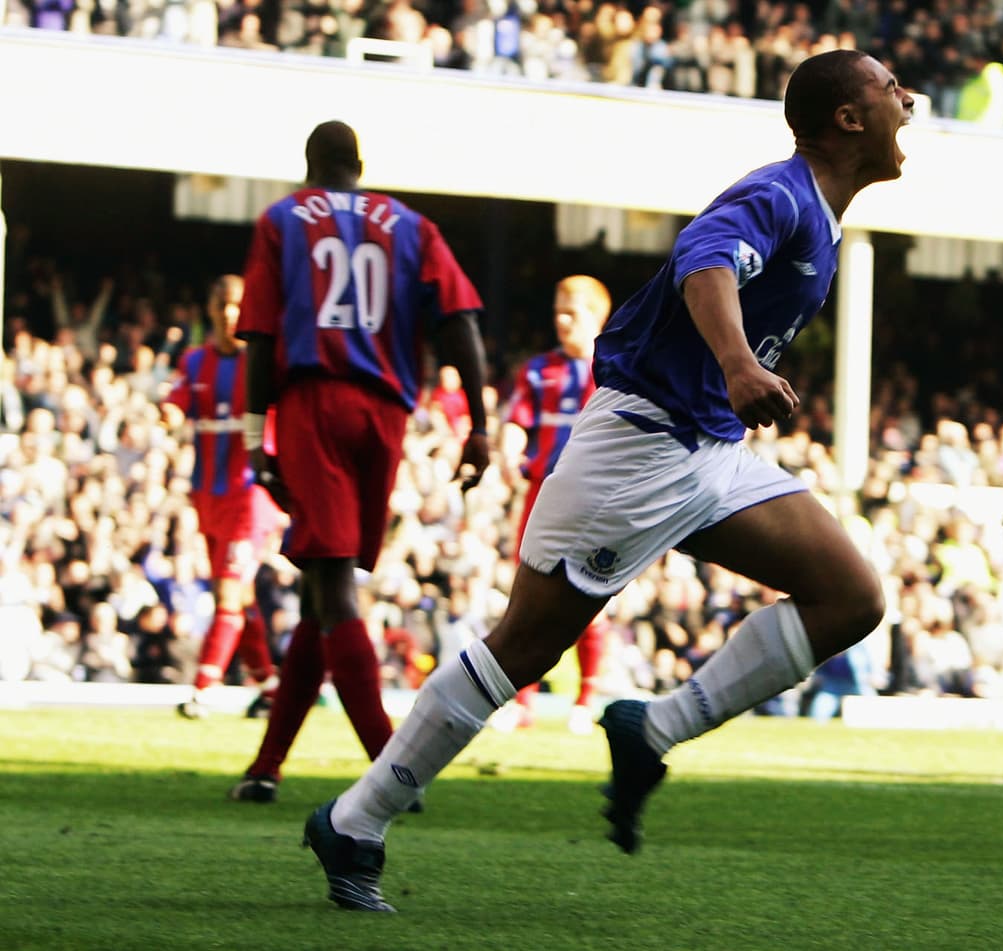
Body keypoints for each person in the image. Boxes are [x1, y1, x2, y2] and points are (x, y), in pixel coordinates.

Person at [304, 49, 908, 912]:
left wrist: (731, 386)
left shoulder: (817, 212)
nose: (907, 100)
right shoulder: (778, 195)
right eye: (890, 89)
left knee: (850, 593)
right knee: (524, 647)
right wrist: (738, 362)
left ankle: (650, 728)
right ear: (849, 119)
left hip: (708, 449)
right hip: (638, 448)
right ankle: (356, 820)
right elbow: (704, 258)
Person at [226, 120, 490, 805]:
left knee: (333, 584)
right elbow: (459, 319)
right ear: (360, 165)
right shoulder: (410, 223)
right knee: (322, 595)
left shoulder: (282, 219)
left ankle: (393, 765)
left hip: (316, 401)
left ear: (309, 165)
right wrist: (481, 426)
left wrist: (258, 437)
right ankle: (266, 765)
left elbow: (258, 333)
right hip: (386, 413)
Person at [163, 275, 283, 720]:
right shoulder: (195, 362)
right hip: (208, 497)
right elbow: (176, 402)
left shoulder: (265, 361)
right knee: (239, 597)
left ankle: (204, 688)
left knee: (229, 596)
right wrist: (167, 415)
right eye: (222, 305)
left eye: (237, 306)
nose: (230, 314)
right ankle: (270, 686)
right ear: (211, 310)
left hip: (251, 496)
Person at [498, 274, 612, 734]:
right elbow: (516, 421)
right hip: (541, 496)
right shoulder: (537, 370)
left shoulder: (615, 369)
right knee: (528, 597)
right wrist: (508, 449)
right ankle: (520, 701)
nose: (563, 321)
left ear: (597, 317)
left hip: (596, 500)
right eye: (558, 312)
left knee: (590, 595)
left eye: (573, 312)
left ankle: (586, 699)